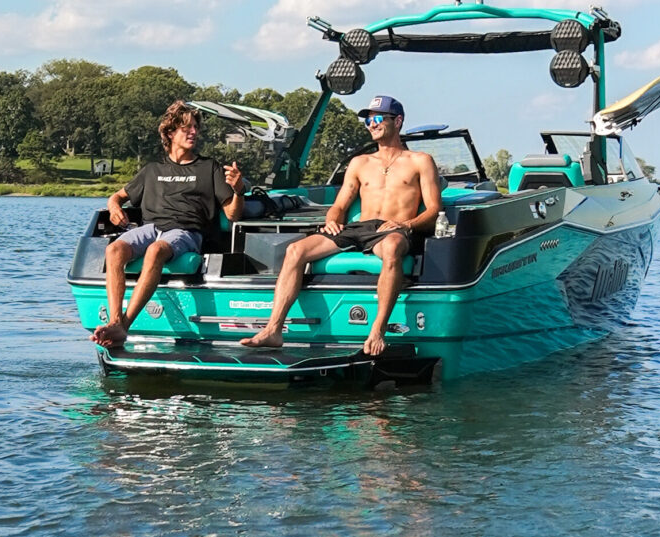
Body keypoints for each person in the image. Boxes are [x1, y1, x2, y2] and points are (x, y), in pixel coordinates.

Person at [241, 95, 441, 356]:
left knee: (392, 248)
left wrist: (405, 223)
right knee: (295, 251)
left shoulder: (420, 161)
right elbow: (340, 205)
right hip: (359, 228)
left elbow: (435, 209)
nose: (372, 124)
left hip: (392, 230)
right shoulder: (360, 163)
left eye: (378, 118)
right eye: (368, 120)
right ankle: (273, 330)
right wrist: (332, 220)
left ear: (398, 121)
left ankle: (377, 331)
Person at [91, 100, 244, 346]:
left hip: (186, 232)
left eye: (196, 127)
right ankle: (114, 320)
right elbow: (117, 196)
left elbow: (233, 215)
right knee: (114, 249)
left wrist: (238, 191)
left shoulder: (209, 168)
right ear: (170, 133)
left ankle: (123, 327)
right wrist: (114, 207)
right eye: (187, 128)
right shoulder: (152, 170)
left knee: (156, 250)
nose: (194, 132)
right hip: (151, 228)